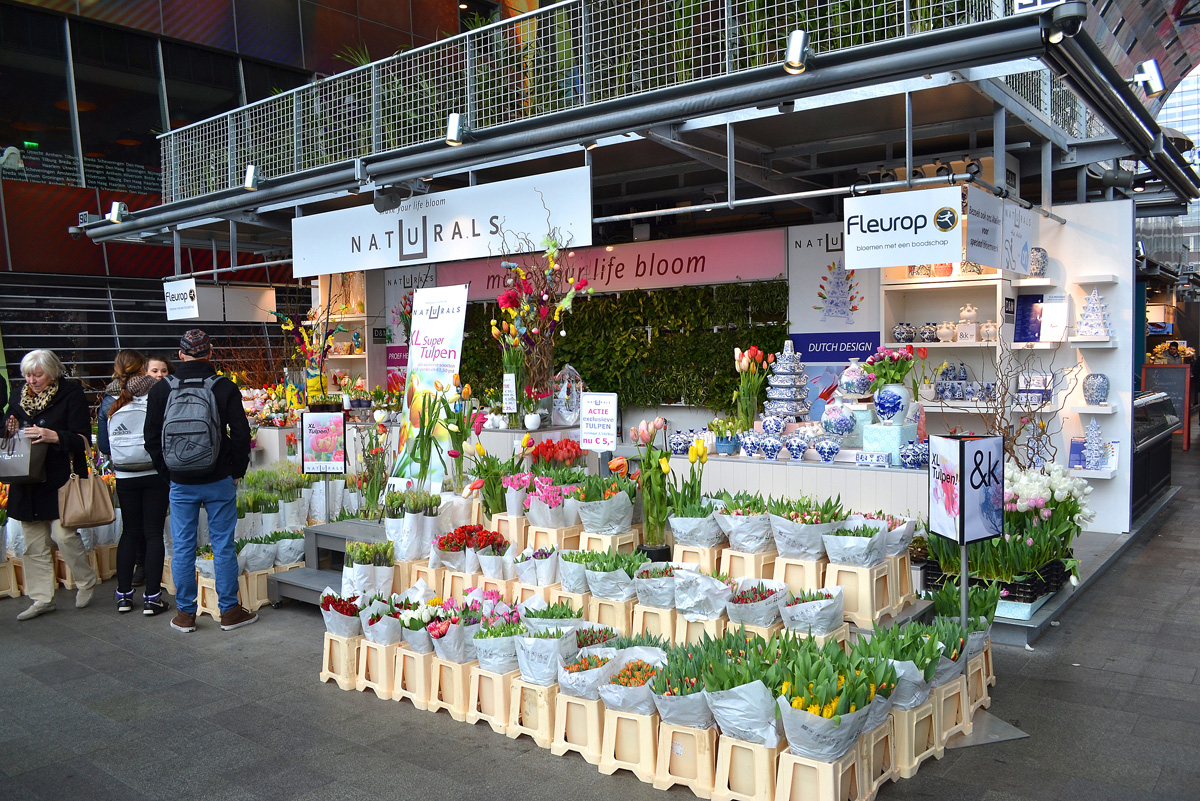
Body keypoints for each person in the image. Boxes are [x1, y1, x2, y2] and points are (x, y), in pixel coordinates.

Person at [144, 329, 255, 632]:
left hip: (181, 481)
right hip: (220, 479)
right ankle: (230, 611)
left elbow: (151, 439)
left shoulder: (161, 390)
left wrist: (169, 474)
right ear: (210, 353)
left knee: (182, 547)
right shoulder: (224, 387)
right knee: (222, 545)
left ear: (180, 356)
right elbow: (242, 435)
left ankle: (185, 614)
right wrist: (236, 471)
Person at [3, 349, 97, 620]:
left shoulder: (71, 394)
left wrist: (53, 435)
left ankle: (86, 579)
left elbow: (83, 440)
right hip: (27, 479)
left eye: (38, 375)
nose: (31, 380)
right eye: (27, 375)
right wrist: (8, 428)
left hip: (60, 478)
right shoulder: (18, 397)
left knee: (64, 535)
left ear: (53, 372)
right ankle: (42, 598)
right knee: (34, 543)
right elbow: (8, 430)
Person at [97, 350, 170, 616]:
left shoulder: (109, 400)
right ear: (142, 370)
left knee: (129, 532)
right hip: (153, 473)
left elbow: (104, 445)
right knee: (153, 533)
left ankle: (124, 596)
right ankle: (152, 597)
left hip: (125, 475)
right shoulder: (156, 393)